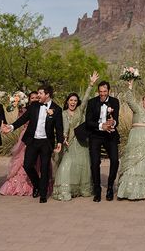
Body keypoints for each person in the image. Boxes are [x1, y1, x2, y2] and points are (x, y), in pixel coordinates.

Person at [3, 85, 63, 203]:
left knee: (45, 167)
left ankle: (43, 194)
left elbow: (59, 127)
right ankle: (37, 184)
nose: (38, 96)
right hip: (33, 141)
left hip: (46, 142)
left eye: (40, 93)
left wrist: (60, 141)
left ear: (47, 95)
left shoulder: (57, 109)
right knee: (27, 165)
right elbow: (23, 119)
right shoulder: (34, 106)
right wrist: (11, 127)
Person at [52, 72, 97, 201]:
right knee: (66, 165)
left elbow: (87, 97)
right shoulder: (63, 113)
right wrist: (63, 137)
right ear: (67, 101)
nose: (73, 102)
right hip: (68, 143)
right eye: (71, 100)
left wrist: (91, 84)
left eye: (75, 100)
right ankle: (65, 190)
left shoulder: (80, 110)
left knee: (81, 166)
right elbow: (62, 128)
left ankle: (80, 189)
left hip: (81, 142)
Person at [0, 91, 48, 196]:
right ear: (28, 99)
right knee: (25, 163)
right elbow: (21, 120)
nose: (35, 99)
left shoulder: (47, 107)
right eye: (32, 98)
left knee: (41, 163)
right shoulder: (26, 109)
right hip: (27, 137)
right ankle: (33, 184)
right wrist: (10, 127)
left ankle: (41, 185)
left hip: (42, 139)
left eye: (37, 97)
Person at [86, 80, 120, 202]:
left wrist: (113, 123)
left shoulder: (115, 102)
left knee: (115, 161)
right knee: (95, 163)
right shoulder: (91, 102)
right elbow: (88, 121)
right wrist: (101, 126)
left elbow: (117, 120)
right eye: (100, 92)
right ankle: (97, 190)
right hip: (95, 135)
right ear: (98, 92)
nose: (102, 94)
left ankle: (110, 187)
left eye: (105, 91)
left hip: (110, 135)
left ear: (108, 91)